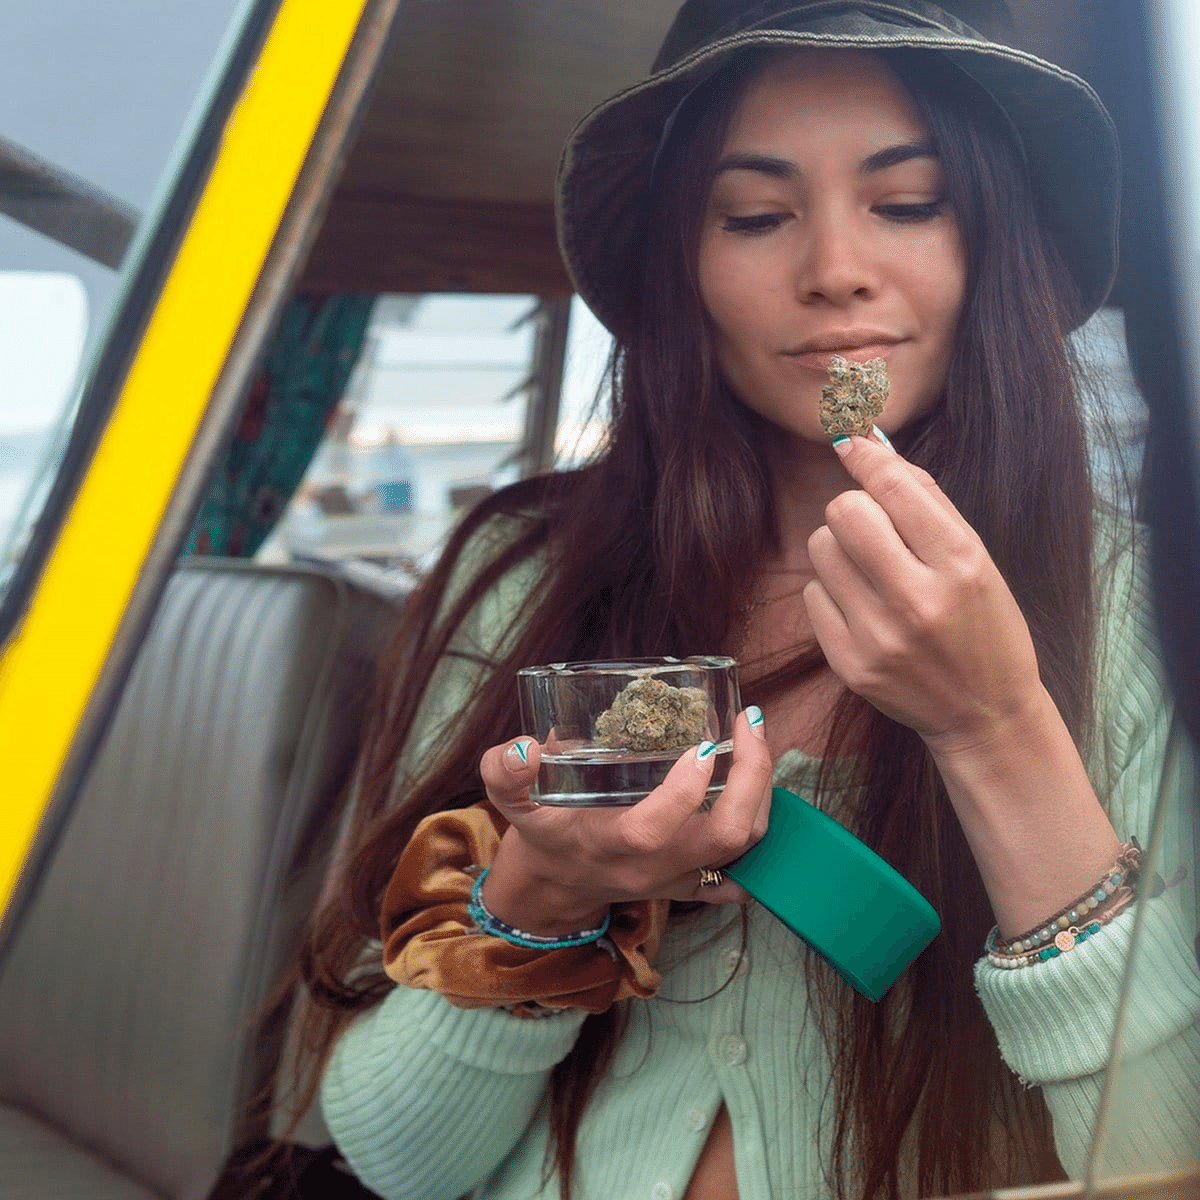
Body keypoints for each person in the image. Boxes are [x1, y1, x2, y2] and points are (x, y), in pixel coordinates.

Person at [291, 3, 1200, 1198]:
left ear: (999, 242)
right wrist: (545, 891)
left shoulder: (1154, 616)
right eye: (757, 215)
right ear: (686, 267)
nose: (833, 272)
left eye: (909, 202)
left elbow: (1163, 1161)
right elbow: (400, 1160)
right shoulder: (522, 579)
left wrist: (996, 728)